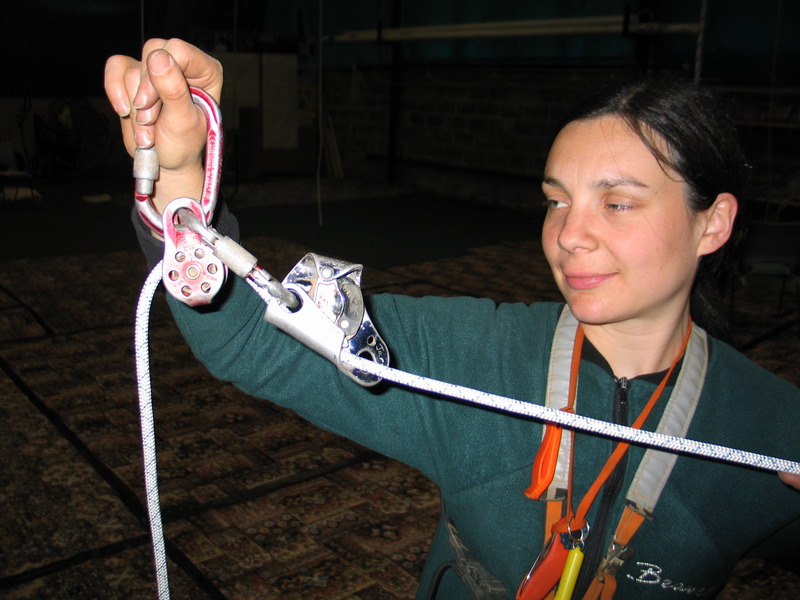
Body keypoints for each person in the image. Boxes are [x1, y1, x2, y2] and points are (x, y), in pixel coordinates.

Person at [105, 39, 800, 600]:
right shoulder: (475, 356)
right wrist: (180, 184)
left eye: (616, 203)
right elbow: (252, 340)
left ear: (713, 224)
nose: (569, 235)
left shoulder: (771, 427)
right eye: (557, 201)